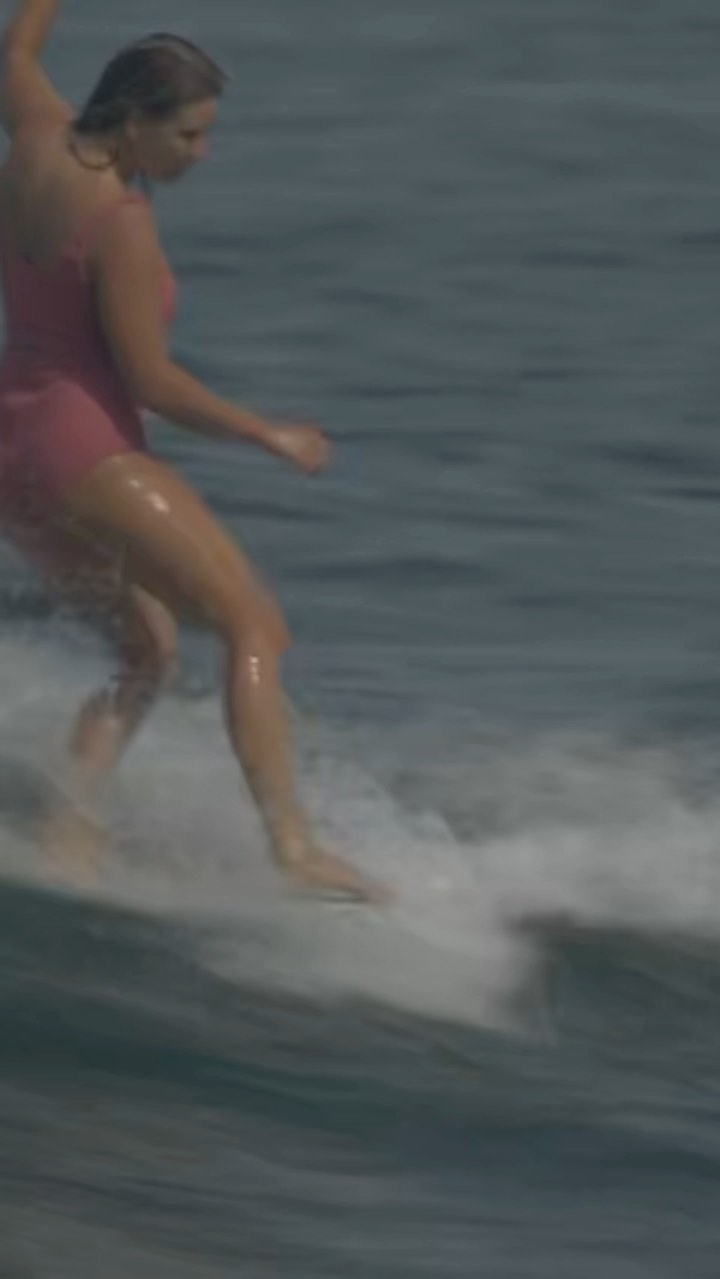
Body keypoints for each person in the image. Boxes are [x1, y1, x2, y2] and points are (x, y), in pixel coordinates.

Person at [0, 0, 386, 902]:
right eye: (189, 134)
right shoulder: (121, 220)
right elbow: (151, 382)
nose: (200, 154)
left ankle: (68, 833)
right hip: (81, 443)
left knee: (144, 653)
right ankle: (293, 848)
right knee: (254, 624)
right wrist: (267, 431)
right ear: (134, 119)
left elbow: (18, 44)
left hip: (11, 447)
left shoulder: (37, 133)